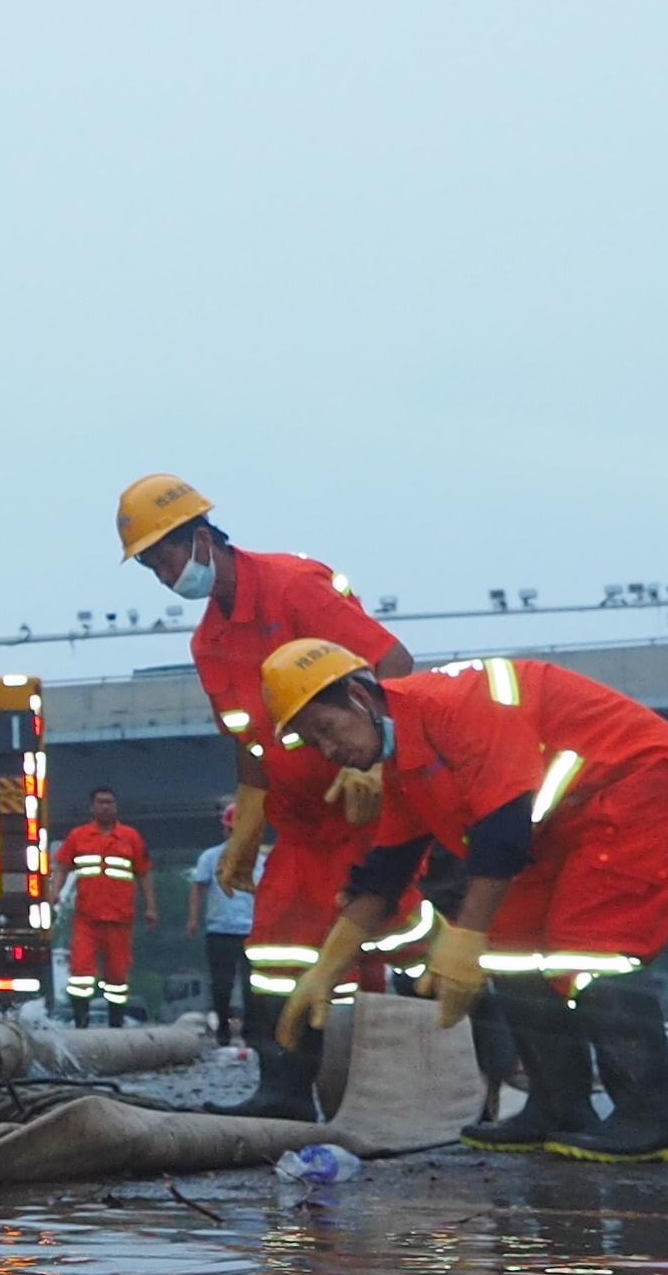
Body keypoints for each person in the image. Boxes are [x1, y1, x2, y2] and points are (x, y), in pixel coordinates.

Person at [263, 641, 668, 1162]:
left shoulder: (454, 708)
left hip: (636, 790)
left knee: (591, 952)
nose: (329, 750)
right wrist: (326, 968)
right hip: (561, 825)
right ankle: (558, 1106)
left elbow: (502, 830)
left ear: (358, 696)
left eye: (327, 728)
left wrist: (462, 937)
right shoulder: (407, 764)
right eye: (312, 742)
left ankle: (651, 1118)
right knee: (511, 954)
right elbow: (385, 874)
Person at [116, 474, 415, 1119]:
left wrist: (378, 754)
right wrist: (248, 823)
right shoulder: (208, 643)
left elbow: (392, 664)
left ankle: (447, 1089)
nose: (163, 576)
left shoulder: (293, 586)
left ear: (200, 538)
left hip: (367, 810)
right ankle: (284, 1095)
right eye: (149, 567)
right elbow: (248, 739)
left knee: (404, 941)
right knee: (276, 953)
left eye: (163, 558)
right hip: (303, 826)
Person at [50, 788, 150, 1026]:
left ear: (116, 806)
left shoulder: (130, 837)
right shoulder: (78, 836)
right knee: (80, 974)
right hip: (87, 918)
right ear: (91, 807)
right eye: (101, 802)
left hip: (120, 919)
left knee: (117, 976)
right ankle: (81, 1026)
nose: (106, 807)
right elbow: (62, 866)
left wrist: (151, 907)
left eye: (110, 802)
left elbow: (144, 873)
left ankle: (115, 1027)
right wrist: (54, 892)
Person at [187, 814, 258, 1047]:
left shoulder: (261, 859)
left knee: (254, 984)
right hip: (220, 929)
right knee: (221, 984)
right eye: (230, 830)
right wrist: (193, 919)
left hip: (252, 930)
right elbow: (199, 888)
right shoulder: (210, 857)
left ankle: (252, 1028)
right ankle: (224, 1029)